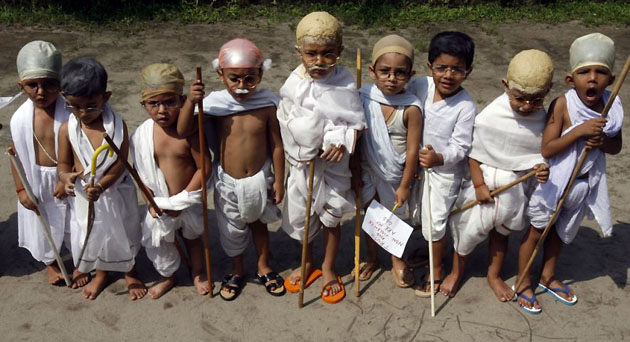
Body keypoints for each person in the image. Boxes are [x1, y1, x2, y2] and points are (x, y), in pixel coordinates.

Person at [515, 33, 623, 314]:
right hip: (555, 182)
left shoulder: (612, 107)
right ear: (570, 79)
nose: (592, 79)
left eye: (600, 72)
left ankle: (548, 276)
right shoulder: (563, 104)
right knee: (537, 233)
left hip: (583, 185)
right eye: (584, 72)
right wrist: (579, 131)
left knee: (561, 235)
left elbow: (616, 147)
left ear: (610, 79)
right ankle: (524, 281)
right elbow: (548, 148)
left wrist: (602, 142)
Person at [177, 39, 285, 301]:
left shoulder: (268, 104)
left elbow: (277, 146)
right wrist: (191, 101)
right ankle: (237, 270)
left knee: (260, 225)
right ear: (220, 76)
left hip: (261, 178)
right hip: (228, 181)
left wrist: (279, 180)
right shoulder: (214, 104)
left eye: (250, 79)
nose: (242, 87)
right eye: (234, 78)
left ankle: (263, 267)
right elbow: (182, 130)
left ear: (261, 74)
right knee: (232, 230)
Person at [444, 50, 553, 300]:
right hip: (483, 191)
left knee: (500, 237)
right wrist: (480, 185)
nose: (527, 106)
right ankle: (456, 273)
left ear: (547, 92)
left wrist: (539, 170)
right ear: (506, 86)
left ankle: (494, 276)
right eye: (520, 98)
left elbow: (537, 158)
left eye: (536, 100)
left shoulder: (542, 120)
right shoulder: (491, 116)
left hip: (513, 193)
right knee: (466, 235)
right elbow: (474, 155)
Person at [277, 11, 366, 304]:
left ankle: (328, 267)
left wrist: (341, 141)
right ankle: (307, 261)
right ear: (298, 52)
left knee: (331, 216)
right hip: (303, 164)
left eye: (328, 54)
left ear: (339, 52)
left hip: (334, 166)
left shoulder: (345, 83)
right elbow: (286, 119)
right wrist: (305, 140)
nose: (319, 62)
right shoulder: (293, 83)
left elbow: (354, 123)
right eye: (311, 54)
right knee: (304, 214)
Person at [57, 57, 145, 300]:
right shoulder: (67, 129)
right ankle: (101, 273)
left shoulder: (118, 127)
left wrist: (104, 186)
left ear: (105, 97)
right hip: (86, 196)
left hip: (116, 192)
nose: (83, 113)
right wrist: (65, 178)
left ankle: (130, 271)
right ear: (65, 99)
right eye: (74, 106)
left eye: (91, 105)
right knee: (94, 233)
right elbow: (63, 164)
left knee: (124, 231)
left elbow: (120, 164)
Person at [130, 63, 212, 299]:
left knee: (193, 239)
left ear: (182, 100)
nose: (162, 110)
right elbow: (139, 172)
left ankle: (198, 273)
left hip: (187, 201)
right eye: (154, 103)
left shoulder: (189, 132)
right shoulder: (142, 135)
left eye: (170, 102)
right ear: (143, 104)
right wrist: (149, 201)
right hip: (159, 204)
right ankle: (168, 276)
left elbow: (204, 166)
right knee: (160, 243)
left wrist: (182, 200)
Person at [406, 31, 477, 297]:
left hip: (444, 174)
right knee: (420, 215)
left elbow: (461, 147)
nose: (448, 75)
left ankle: (436, 269)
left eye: (457, 69)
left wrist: (439, 158)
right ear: (429, 66)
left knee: (435, 221)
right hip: (417, 168)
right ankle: (429, 252)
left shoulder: (465, 106)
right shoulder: (420, 86)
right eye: (442, 67)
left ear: (468, 71)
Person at [353, 35, 423, 287]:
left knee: (394, 219)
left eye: (399, 73)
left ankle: (397, 259)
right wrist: (354, 174)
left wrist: (405, 185)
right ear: (372, 71)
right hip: (367, 169)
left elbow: (413, 150)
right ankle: (371, 257)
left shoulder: (411, 108)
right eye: (384, 71)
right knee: (371, 214)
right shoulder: (363, 97)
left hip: (396, 174)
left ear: (411, 74)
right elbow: (356, 140)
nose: (392, 78)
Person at [9, 41, 75, 286]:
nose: (40, 92)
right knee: (43, 222)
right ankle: (52, 262)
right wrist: (20, 189)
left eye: (49, 84)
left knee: (73, 222)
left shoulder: (70, 112)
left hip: (68, 176)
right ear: (21, 85)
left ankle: (80, 259)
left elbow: (80, 150)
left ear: (60, 84)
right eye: (32, 85)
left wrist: (67, 177)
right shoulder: (19, 120)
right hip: (36, 179)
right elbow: (14, 156)